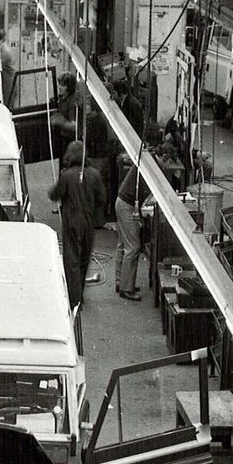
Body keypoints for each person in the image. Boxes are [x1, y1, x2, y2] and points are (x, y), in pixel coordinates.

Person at [48, 140, 106, 309]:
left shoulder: (66, 175)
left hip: (71, 220)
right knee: (84, 258)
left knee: (71, 259)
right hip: (88, 221)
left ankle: (74, 299)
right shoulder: (94, 174)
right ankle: (79, 293)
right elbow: (102, 198)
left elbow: (54, 194)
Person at [115, 153, 151, 301]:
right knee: (133, 247)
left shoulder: (146, 161)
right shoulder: (148, 169)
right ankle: (126, 289)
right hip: (127, 206)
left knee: (123, 244)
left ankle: (121, 281)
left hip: (122, 202)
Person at [51, 73, 83, 165]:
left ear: (69, 87)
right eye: (59, 85)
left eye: (63, 85)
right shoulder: (63, 98)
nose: (60, 87)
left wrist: (61, 122)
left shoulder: (72, 102)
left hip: (71, 141)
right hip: (63, 138)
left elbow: (75, 126)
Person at [0, 30, 16, 105]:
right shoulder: (3, 49)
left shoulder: (5, 51)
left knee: (8, 101)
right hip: (6, 78)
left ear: (0, 40)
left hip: (8, 79)